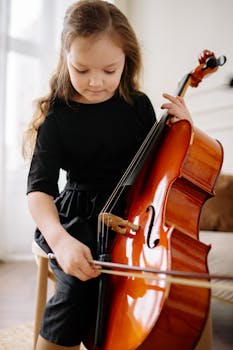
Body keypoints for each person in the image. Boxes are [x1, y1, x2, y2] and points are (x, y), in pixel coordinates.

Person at [24, 1, 193, 349]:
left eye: (109, 70)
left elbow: (161, 169)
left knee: (151, 286)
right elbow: (39, 190)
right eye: (81, 70)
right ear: (65, 58)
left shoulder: (138, 106)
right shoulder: (58, 116)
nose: (96, 82)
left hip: (131, 220)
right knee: (78, 286)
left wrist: (184, 128)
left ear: (126, 61)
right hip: (74, 218)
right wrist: (60, 240)